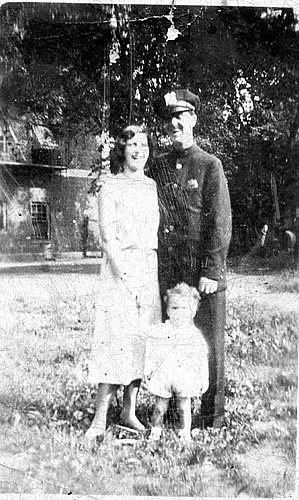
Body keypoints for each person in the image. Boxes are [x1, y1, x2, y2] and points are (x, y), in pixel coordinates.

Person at [149, 89, 232, 428]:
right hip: (171, 270)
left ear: (193, 119)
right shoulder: (158, 167)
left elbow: (220, 219)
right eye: (169, 119)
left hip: (203, 271)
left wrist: (212, 268)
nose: (175, 124)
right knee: (172, 339)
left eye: (181, 117)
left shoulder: (210, 165)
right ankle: (171, 406)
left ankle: (212, 416)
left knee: (209, 342)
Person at [86, 125, 161, 442]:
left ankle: (128, 411)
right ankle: (99, 418)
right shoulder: (111, 186)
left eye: (143, 144)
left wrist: (145, 279)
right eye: (132, 144)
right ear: (122, 150)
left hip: (148, 267)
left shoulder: (151, 186)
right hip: (120, 270)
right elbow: (107, 238)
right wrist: (126, 277)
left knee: (140, 341)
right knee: (114, 340)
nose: (138, 149)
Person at [145, 282, 209, 442]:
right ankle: (156, 429)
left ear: (192, 312)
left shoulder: (194, 335)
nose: (179, 313)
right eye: (174, 308)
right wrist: (148, 367)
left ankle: (184, 432)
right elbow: (152, 349)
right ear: (167, 310)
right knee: (160, 406)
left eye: (184, 309)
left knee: (184, 406)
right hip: (164, 374)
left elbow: (202, 357)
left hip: (184, 374)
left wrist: (204, 377)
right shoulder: (162, 330)